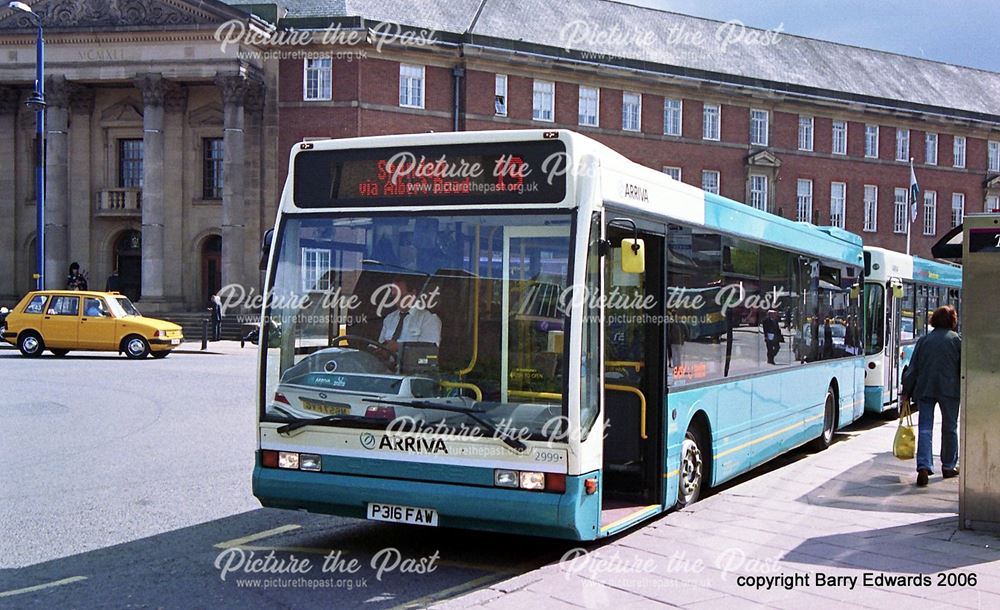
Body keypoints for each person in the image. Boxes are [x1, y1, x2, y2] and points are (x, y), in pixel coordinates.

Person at [901, 305, 961, 487]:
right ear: (952, 321)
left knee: (925, 428)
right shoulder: (957, 341)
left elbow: (913, 369)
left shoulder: (924, 340)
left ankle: (924, 466)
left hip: (925, 388)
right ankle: (949, 466)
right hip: (950, 390)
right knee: (949, 428)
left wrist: (906, 392)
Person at [378, 278, 441, 354]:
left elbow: (429, 351)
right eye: (394, 297)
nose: (397, 301)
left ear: (413, 293)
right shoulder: (389, 319)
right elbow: (380, 346)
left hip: (412, 365)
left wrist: (399, 347)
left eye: (401, 296)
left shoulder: (429, 319)